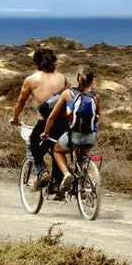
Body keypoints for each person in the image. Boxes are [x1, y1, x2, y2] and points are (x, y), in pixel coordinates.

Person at [9, 46, 69, 190]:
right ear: (54, 61)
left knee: (34, 144)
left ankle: (42, 171)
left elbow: (20, 102)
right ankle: (57, 185)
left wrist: (15, 118)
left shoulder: (31, 80)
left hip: (45, 122)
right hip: (63, 121)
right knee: (58, 149)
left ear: (36, 62)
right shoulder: (63, 79)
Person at [43, 67, 99, 197]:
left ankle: (67, 174)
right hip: (90, 137)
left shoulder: (67, 94)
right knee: (82, 157)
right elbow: (97, 117)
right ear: (92, 81)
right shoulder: (96, 96)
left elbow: (52, 117)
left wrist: (46, 133)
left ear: (78, 78)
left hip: (74, 136)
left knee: (57, 150)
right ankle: (83, 185)